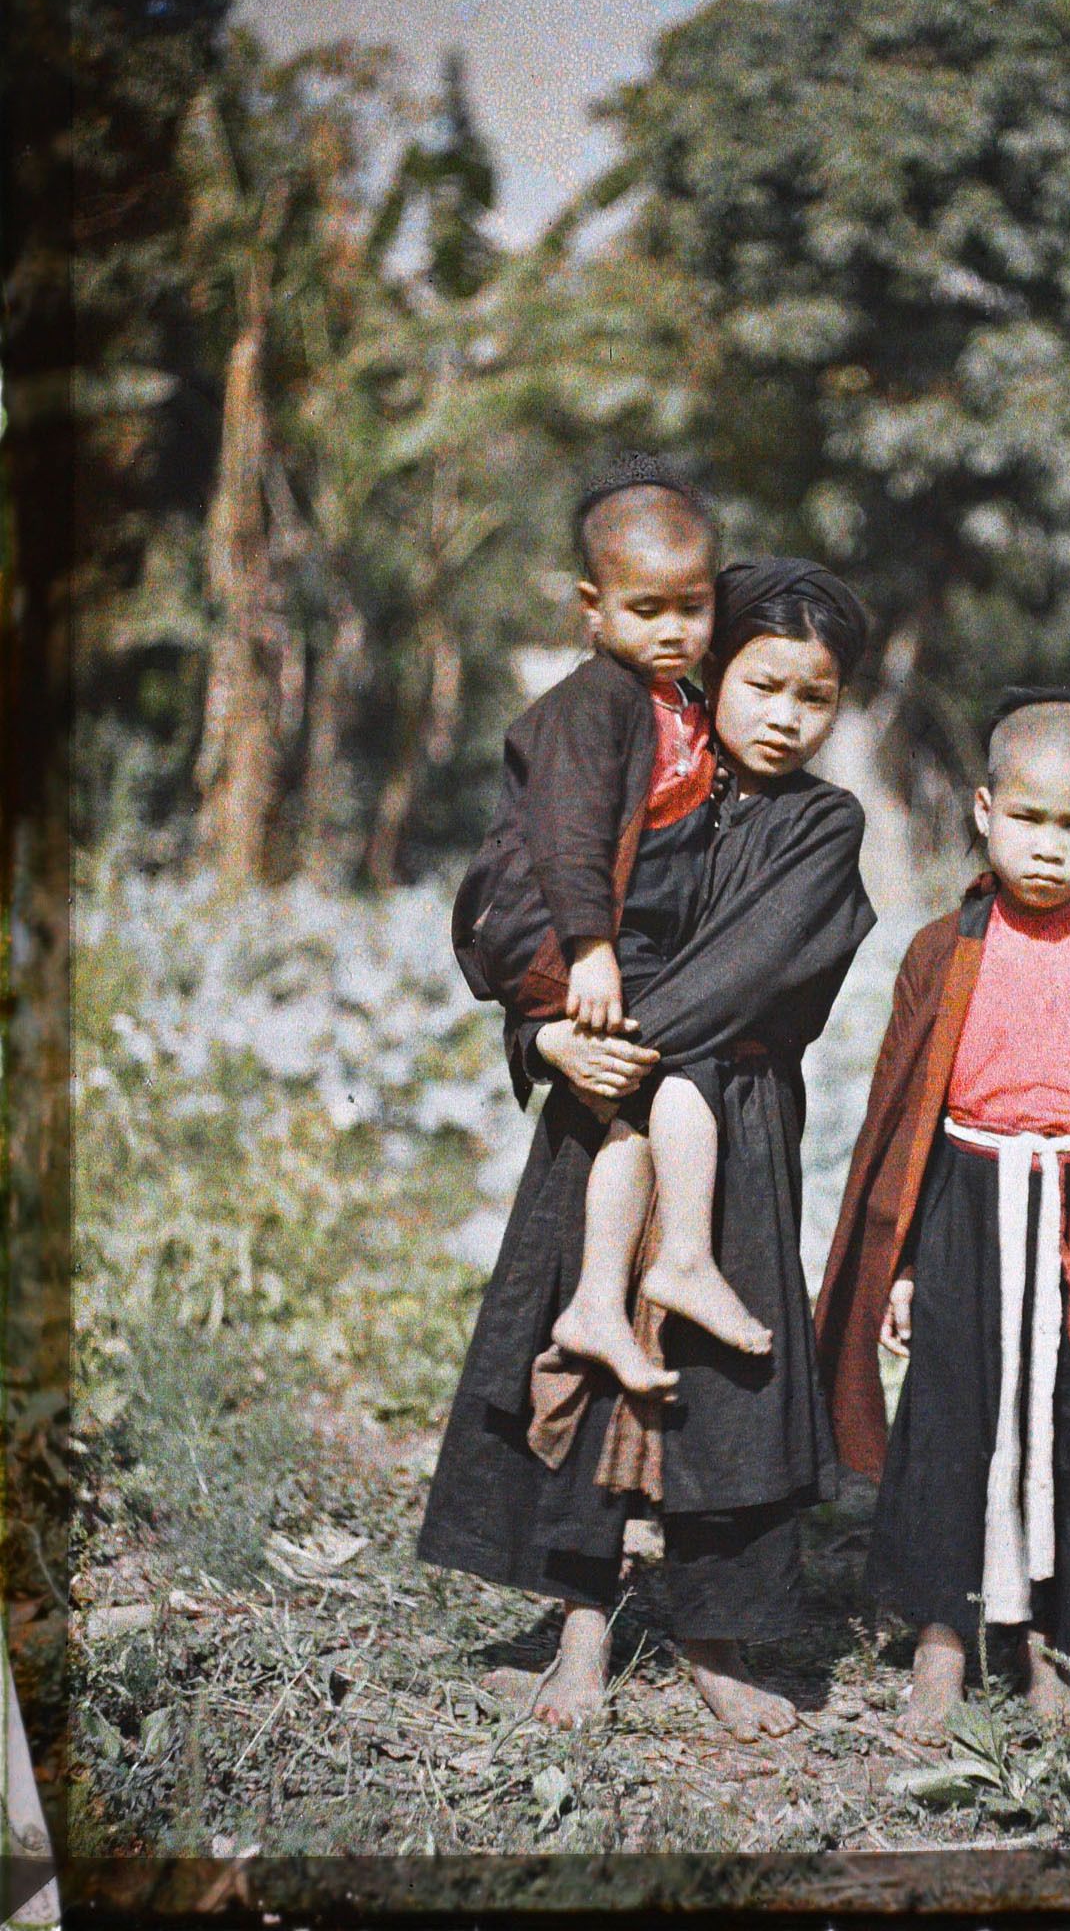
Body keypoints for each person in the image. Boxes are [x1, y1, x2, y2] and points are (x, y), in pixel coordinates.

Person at [419, 557, 876, 1740]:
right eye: (762, 683)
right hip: (603, 1117)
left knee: (719, 1392)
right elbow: (507, 894)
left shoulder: (823, 824)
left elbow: (753, 972)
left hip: (732, 1120)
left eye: (813, 697)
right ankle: (581, 1631)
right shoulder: (633, 777)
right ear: (711, 669)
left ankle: (714, 1638)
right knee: (587, 1357)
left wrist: (589, 1038)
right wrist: (540, 1030)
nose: (783, 716)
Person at [814, 686, 1070, 1745]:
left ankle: (1045, 1642)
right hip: (967, 1196)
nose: (1048, 849)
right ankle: (941, 1644)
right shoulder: (941, 950)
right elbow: (899, 1117)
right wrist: (899, 1262)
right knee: (952, 1415)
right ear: (986, 811)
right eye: (1030, 818)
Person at [451, 453, 768, 1399]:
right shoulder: (590, 707)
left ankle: (597, 1300)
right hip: (562, 931)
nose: (675, 632)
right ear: (593, 607)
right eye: (647, 611)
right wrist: (589, 951)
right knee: (673, 1075)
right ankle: (678, 1259)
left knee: (627, 1114)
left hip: (625, 936)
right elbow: (568, 839)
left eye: (694, 608)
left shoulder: (675, 701)